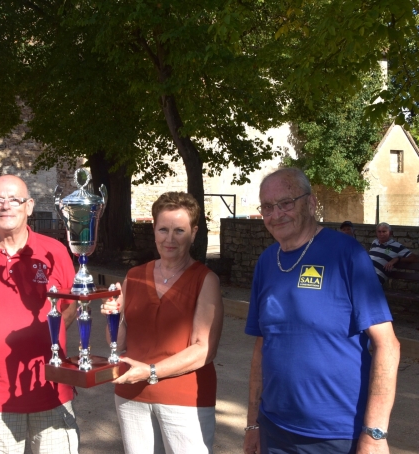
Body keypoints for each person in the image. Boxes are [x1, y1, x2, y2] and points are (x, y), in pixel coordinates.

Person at [244, 168, 400, 454]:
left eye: (286, 203)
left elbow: (387, 344)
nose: (276, 214)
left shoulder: (346, 253)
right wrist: (253, 424)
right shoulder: (267, 262)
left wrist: (375, 434)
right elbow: (262, 346)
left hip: (337, 435)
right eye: (267, 206)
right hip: (274, 429)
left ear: (311, 203)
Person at [0, 175, 79, 453]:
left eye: (15, 200)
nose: (6, 206)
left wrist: (48, 337)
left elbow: (69, 307)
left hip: (52, 391)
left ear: (29, 206)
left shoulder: (55, 251)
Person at [100, 191, 224, 454]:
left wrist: (150, 371)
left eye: (179, 230)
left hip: (185, 399)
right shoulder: (133, 276)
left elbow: (204, 350)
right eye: (163, 229)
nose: (170, 239)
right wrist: (113, 319)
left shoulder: (205, 280)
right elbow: (118, 343)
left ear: (193, 232)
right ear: (154, 230)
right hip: (131, 394)